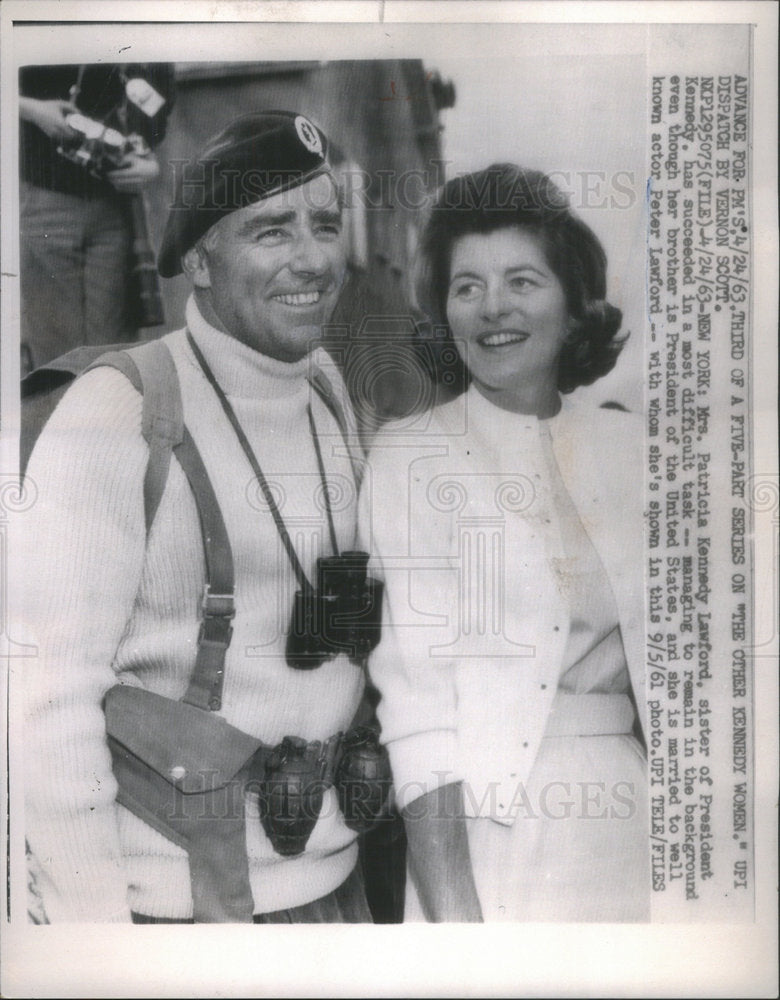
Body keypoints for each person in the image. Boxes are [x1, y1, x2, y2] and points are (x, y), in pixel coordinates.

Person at [19, 111, 379, 923]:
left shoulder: (325, 384)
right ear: (200, 260)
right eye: (271, 230)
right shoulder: (117, 412)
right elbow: (47, 699)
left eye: (325, 225)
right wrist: (93, 943)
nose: (313, 259)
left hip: (338, 890)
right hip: (180, 917)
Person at [362, 163, 649, 922]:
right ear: (444, 312)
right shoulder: (411, 456)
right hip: (485, 840)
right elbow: (418, 713)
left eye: (523, 281)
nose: (494, 309)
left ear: (573, 304)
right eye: (467, 287)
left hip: (631, 830)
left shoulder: (634, 452)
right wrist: (458, 921)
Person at [19, 63, 174, 374]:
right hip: (45, 199)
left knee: (114, 355)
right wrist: (31, 109)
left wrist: (150, 162)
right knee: (56, 363)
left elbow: (158, 101)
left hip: (115, 208)